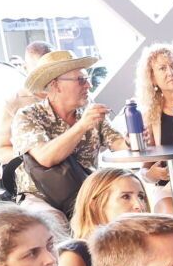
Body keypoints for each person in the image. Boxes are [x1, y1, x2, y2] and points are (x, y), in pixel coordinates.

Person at [10, 50, 128, 218]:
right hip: (41, 196)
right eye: (81, 80)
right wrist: (81, 126)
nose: (89, 85)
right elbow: (45, 158)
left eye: (87, 79)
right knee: (52, 220)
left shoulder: (89, 112)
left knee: (127, 209)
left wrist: (133, 139)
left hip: (87, 192)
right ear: (55, 85)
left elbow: (118, 143)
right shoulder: (28, 115)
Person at [57, 169, 150, 266]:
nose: (139, 205)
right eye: (126, 197)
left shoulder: (148, 248)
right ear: (96, 205)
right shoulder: (78, 253)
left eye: (141, 197)